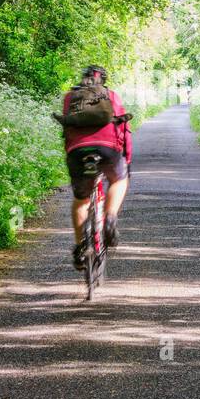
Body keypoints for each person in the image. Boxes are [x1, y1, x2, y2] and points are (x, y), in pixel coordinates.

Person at [60, 65, 131, 270]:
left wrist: (72, 152)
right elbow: (124, 128)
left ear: (83, 79)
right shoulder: (112, 96)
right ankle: (109, 218)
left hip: (78, 152)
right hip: (108, 149)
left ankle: (81, 246)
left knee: (81, 199)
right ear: (104, 81)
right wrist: (126, 158)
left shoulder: (69, 97)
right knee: (119, 180)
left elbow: (66, 128)